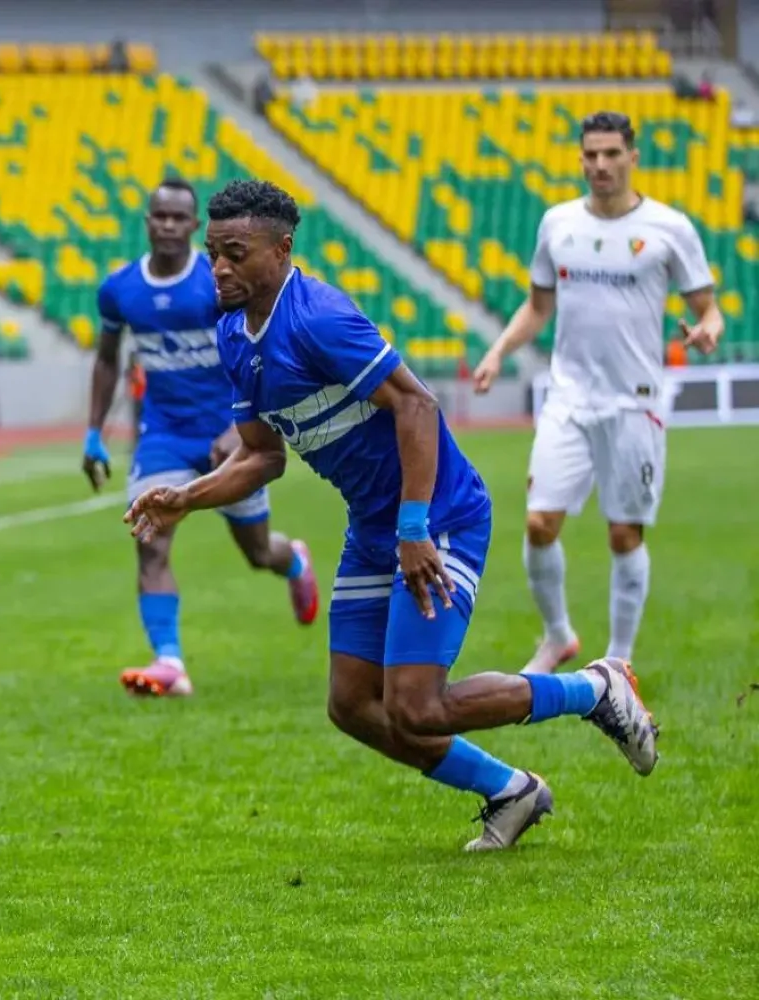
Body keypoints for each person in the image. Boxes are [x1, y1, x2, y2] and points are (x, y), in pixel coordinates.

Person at [127, 179, 659, 850]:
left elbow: (418, 406)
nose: (220, 269)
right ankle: (511, 790)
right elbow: (262, 456)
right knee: (352, 706)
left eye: (235, 253)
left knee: (417, 707)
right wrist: (188, 496)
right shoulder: (233, 332)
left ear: (282, 250)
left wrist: (413, 528)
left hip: (438, 516)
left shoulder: (318, 318)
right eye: (214, 253)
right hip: (376, 525)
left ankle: (593, 688)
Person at [473, 111, 723, 674]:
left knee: (623, 533)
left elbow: (708, 308)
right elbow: (538, 308)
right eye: (591, 154)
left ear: (633, 158)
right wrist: (497, 352)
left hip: (633, 403)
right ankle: (558, 635)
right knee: (539, 523)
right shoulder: (557, 224)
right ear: (580, 158)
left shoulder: (669, 228)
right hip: (568, 399)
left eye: (612, 154)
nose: (601, 165)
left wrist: (707, 329)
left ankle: (620, 660)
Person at [85, 179, 317, 698]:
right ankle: (169, 661)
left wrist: (240, 429)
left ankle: (293, 559)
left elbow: (257, 348)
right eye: (158, 216)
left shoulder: (218, 282)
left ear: (194, 227)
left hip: (232, 433)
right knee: (150, 540)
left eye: (177, 218)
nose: (167, 225)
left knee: (257, 552)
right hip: (163, 435)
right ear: (147, 222)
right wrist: (94, 432)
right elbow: (105, 358)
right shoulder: (119, 289)